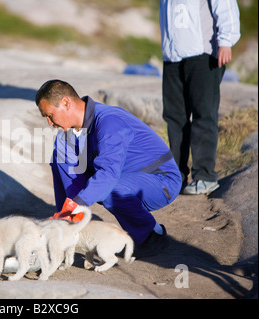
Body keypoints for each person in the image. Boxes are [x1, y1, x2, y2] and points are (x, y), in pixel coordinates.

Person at [35, 79, 182, 258]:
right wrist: (65, 216)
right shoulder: (66, 136)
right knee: (59, 156)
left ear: (66, 103)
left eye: (50, 115)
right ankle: (69, 228)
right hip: (124, 178)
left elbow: (108, 175)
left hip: (161, 179)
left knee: (111, 187)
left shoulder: (109, 121)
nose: (49, 123)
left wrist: (77, 205)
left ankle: (152, 234)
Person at [159, 0, 241, 195]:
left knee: (204, 115)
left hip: (203, 53)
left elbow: (226, 5)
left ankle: (205, 176)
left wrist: (226, 41)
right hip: (172, 56)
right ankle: (176, 177)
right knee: (174, 117)